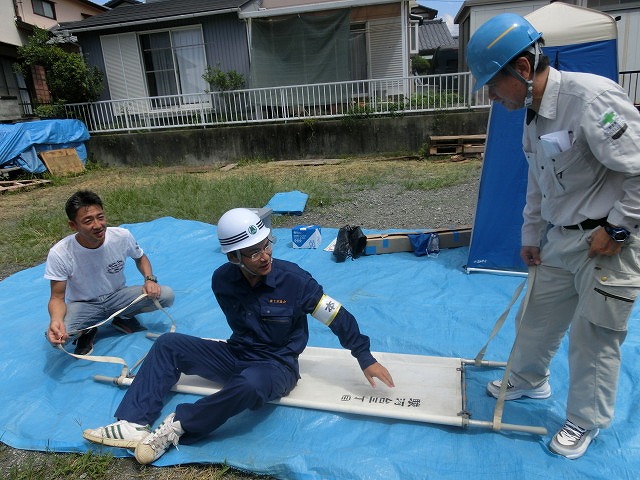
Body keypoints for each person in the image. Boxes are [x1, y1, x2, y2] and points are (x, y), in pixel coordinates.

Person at [82, 208, 395, 464]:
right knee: (168, 344)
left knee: (250, 384)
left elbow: (338, 317)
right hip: (235, 354)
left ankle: (179, 425)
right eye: (252, 252)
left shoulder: (296, 283)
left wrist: (364, 357)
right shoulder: (222, 281)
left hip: (276, 367)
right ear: (233, 257)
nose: (264, 256)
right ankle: (133, 423)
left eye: (266, 245)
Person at [466, 13, 640, 459]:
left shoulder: (591, 98)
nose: (489, 94)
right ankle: (529, 380)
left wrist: (617, 228)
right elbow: (537, 181)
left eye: (492, 82)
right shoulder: (532, 114)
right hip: (562, 239)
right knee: (536, 316)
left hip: (609, 244)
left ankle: (585, 420)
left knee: (595, 336)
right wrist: (530, 234)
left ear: (522, 69)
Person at [45, 190, 175, 355]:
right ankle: (86, 330)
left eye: (100, 217)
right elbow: (57, 298)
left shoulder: (121, 236)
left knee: (166, 295)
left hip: (117, 297)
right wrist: (56, 320)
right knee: (57, 338)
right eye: (88, 220)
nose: (98, 225)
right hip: (84, 305)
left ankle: (122, 317)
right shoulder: (60, 253)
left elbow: (140, 257)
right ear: (73, 225)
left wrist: (149, 279)